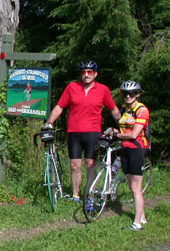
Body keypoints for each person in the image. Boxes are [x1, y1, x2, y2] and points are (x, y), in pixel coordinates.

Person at [43, 61, 120, 202]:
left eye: (89, 72)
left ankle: (90, 195)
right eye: (83, 72)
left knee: (90, 163)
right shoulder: (72, 87)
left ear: (95, 74)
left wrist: (123, 126)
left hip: (93, 132)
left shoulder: (103, 90)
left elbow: (113, 110)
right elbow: (59, 107)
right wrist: (49, 123)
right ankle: (75, 195)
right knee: (74, 165)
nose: (86, 75)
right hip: (74, 132)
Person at [107, 81, 149, 230]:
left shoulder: (142, 110)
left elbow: (134, 134)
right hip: (125, 149)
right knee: (132, 186)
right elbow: (122, 128)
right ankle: (142, 217)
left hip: (137, 149)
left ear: (137, 95)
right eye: (125, 94)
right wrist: (113, 130)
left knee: (136, 187)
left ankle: (137, 224)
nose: (128, 96)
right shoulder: (124, 110)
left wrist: (118, 135)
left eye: (131, 94)